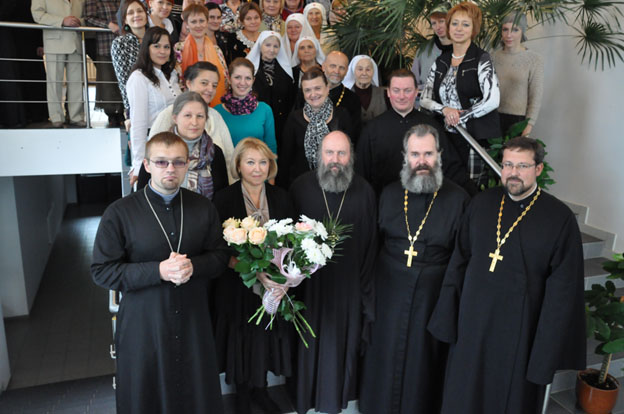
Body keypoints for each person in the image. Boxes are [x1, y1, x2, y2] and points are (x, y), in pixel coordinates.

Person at [428, 136, 586, 414]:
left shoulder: (559, 218)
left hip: (520, 334)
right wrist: (447, 320)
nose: (514, 173)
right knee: (463, 395)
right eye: (508, 164)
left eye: (522, 166)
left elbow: (563, 292)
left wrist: (544, 355)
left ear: (538, 169)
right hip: (472, 326)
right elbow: (458, 263)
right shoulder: (480, 204)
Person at [91, 131, 229, 414]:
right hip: (144, 325)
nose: (170, 169)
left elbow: (220, 257)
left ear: (188, 164)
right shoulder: (120, 212)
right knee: (146, 397)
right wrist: (159, 271)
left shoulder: (203, 207)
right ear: (147, 164)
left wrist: (194, 266)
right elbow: (102, 271)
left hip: (193, 322)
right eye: (162, 162)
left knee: (196, 395)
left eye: (178, 162)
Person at [359, 124, 469, 414]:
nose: (422, 161)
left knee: (423, 361)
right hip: (388, 292)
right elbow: (373, 244)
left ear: (439, 156)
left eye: (428, 154)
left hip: (432, 295)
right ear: (405, 157)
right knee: (384, 355)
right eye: (415, 154)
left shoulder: (458, 199)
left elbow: (461, 258)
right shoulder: (389, 193)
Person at [288, 130, 378, 414]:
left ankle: (334, 400)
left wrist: (364, 294)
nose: (335, 159)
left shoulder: (365, 191)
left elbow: (371, 245)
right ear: (320, 156)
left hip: (348, 286)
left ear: (351, 157)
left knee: (340, 347)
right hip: (308, 287)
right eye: (329, 153)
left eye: (342, 153)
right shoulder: (300, 187)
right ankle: (304, 397)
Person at [212, 138, 295, 414]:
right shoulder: (224, 199)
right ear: (238, 165)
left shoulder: (282, 197)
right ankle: (243, 397)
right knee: (242, 339)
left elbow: (291, 242)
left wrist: (283, 277)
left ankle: (261, 390)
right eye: (250, 162)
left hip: (272, 285)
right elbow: (218, 248)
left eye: (263, 162)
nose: (257, 169)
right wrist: (252, 271)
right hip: (238, 285)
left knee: (264, 339)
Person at [420, 2, 501, 187]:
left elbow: (493, 100)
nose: (459, 29)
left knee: (472, 188)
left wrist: (461, 116)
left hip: (473, 138)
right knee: (446, 186)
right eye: (455, 23)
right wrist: (445, 110)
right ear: (448, 27)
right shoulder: (441, 61)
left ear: (473, 29)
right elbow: (424, 99)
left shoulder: (482, 59)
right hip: (446, 137)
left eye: (465, 24)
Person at [356, 69, 471, 196]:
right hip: (385, 201)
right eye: (396, 90)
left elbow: (452, 168)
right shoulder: (372, 129)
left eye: (407, 90)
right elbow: (361, 174)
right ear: (388, 92)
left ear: (416, 92)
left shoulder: (432, 126)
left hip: (427, 199)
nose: (401, 96)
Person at [150, 62, 236, 183]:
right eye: (204, 83)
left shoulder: (216, 116)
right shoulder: (169, 114)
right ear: (189, 83)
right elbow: (152, 154)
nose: (210, 89)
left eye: (214, 85)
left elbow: (229, 158)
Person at [127, 26, 181, 188]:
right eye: (157, 46)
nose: (162, 51)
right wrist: (138, 163)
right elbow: (138, 123)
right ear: (147, 48)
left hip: (174, 143)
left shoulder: (171, 75)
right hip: (153, 145)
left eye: (166, 47)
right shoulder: (139, 78)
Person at [278, 68, 351, 187]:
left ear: (327, 88)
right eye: (307, 90)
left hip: (336, 182)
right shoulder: (294, 118)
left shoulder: (342, 115)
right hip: (302, 185)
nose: (313, 94)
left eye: (317, 88)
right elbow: (286, 159)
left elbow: (350, 153)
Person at [31, 0, 85, 128]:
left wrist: (80, 21)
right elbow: (37, 14)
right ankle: (56, 117)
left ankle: (76, 116)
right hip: (54, 41)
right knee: (54, 83)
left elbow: (86, 16)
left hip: (75, 42)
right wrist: (62, 21)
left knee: (77, 83)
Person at [167, 91, 228, 197]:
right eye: (188, 115)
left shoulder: (215, 152)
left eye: (200, 116)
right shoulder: (159, 149)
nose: (194, 122)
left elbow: (223, 197)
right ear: (175, 118)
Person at [492, 12, 544, 136]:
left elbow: (535, 97)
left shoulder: (534, 59)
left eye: (515, 30)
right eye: (505, 29)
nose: (509, 35)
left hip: (518, 122)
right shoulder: (492, 57)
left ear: (522, 32)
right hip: (492, 119)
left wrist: (528, 127)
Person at [214, 58, 277, 153]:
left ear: (253, 80)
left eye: (248, 78)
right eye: (237, 77)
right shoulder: (217, 112)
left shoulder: (264, 110)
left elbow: (271, 147)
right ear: (229, 79)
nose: (242, 83)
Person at [247, 31, 296, 153]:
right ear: (260, 46)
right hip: (257, 121)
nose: (272, 50)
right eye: (267, 45)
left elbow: (290, 100)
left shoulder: (286, 70)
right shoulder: (250, 69)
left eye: (276, 46)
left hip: (281, 124)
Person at [174, 4, 229, 107]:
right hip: (187, 104)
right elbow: (177, 81)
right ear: (187, 24)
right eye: (193, 22)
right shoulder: (179, 49)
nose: (198, 25)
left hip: (215, 103)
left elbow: (225, 80)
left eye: (201, 21)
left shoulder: (217, 50)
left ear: (207, 22)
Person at [84, 0, 125, 127]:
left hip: (124, 46)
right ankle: (111, 114)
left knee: (123, 82)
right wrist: (108, 25)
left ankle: (122, 112)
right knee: (107, 83)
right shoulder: (93, 1)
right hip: (105, 45)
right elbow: (88, 18)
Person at [111, 0, 149, 123]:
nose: (136, 15)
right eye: (130, 13)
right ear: (125, 20)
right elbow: (123, 81)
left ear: (146, 15)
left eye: (140, 11)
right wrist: (129, 111)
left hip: (160, 99)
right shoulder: (120, 43)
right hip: (137, 103)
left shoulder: (155, 39)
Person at [411, 4, 452, 96]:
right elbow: (413, 83)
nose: (438, 27)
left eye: (441, 21)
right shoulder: (423, 51)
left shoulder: (463, 49)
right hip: (426, 101)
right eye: (434, 23)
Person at [321, 51, 362, 139]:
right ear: (323, 67)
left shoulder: (353, 99)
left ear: (346, 71)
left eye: (342, 68)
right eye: (333, 66)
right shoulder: (309, 93)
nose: (337, 71)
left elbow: (354, 134)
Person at [343, 54, 387, 123]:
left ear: (373, 72)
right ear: (353, 71)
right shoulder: (344, 95)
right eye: (360, 69)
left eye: (368, 69)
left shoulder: (385, 94)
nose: (364, 73)